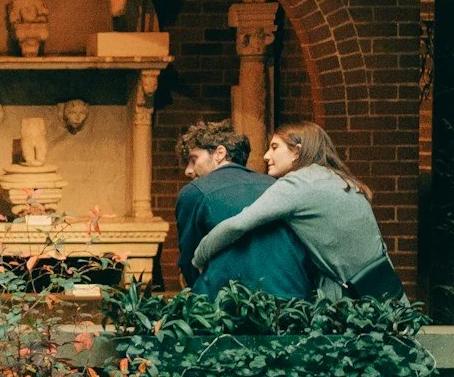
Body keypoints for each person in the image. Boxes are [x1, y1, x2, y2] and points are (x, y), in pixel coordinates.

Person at [191, 123, 405, 300]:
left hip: (350, 301)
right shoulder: (339, 179)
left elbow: (238, 224)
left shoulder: (298, 184)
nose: (266, 155)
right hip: (387, 292)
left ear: (297, 152)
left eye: (275, 147)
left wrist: (199, 257)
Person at [173, 121, 313, 299]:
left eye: (194, 160)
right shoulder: (279, 186)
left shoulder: (194, 192)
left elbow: (189, 263)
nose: (188, 171)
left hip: (231, 304)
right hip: (292, 296)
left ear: (220, 154)